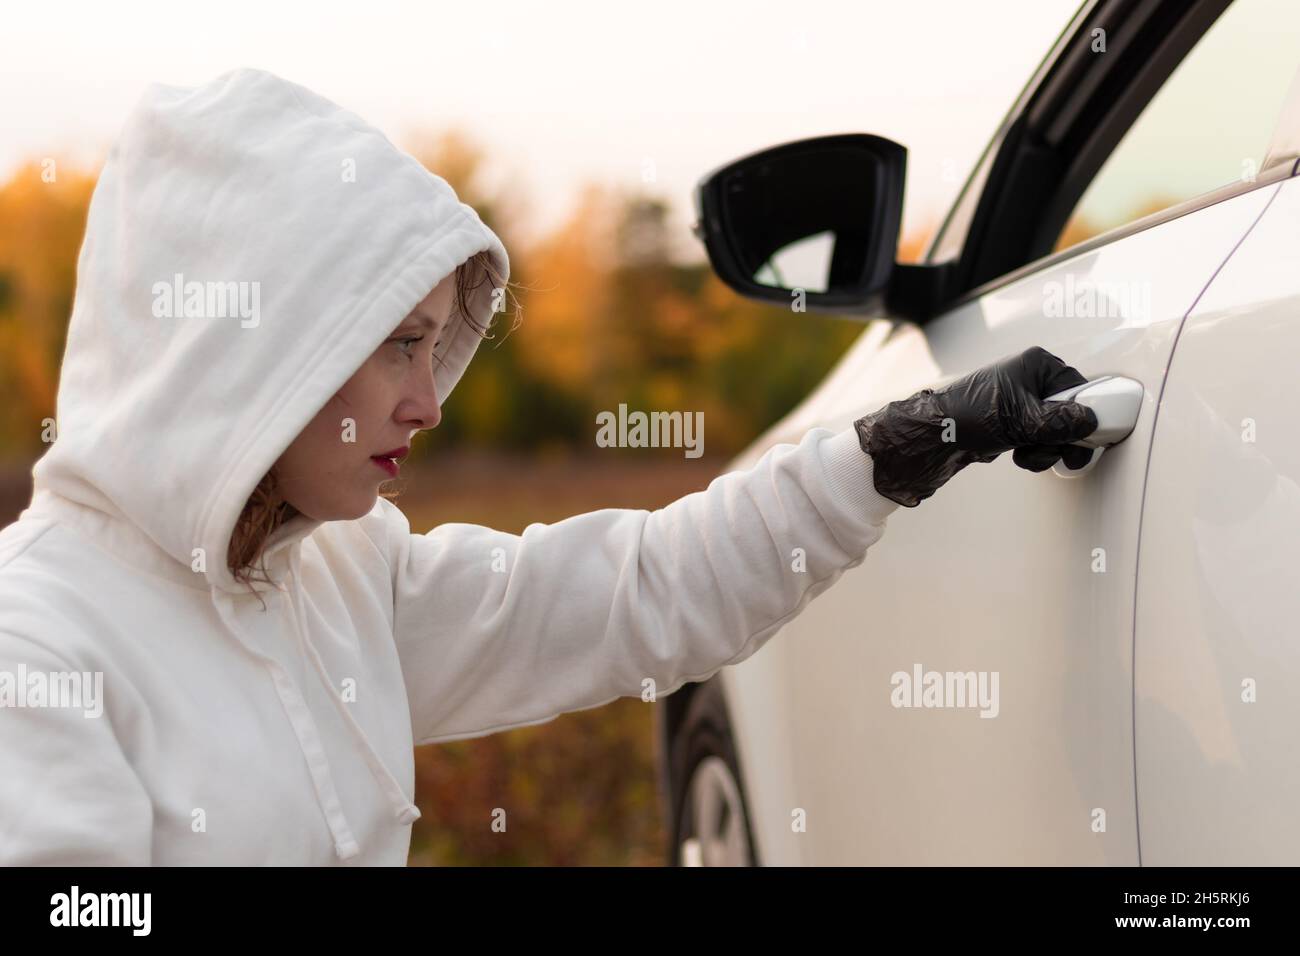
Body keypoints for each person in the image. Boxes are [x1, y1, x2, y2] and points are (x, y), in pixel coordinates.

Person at [0, 69, 1098, 865]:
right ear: (249, 341)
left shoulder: (339, 578)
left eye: (435, 344)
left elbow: (638, 594)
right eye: (395, 343)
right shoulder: (37, 646)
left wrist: (894, 449)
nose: (428, 400)